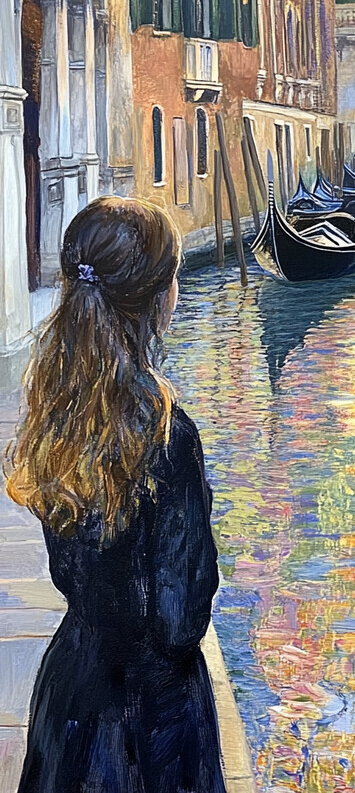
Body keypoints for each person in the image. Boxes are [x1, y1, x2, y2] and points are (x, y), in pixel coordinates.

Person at [5, 197, 226, 793]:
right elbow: (180, 620)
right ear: (157, 298)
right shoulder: (167, 434)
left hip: (74, 688)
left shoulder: (57, 418)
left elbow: (67, 572)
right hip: (154, 718)